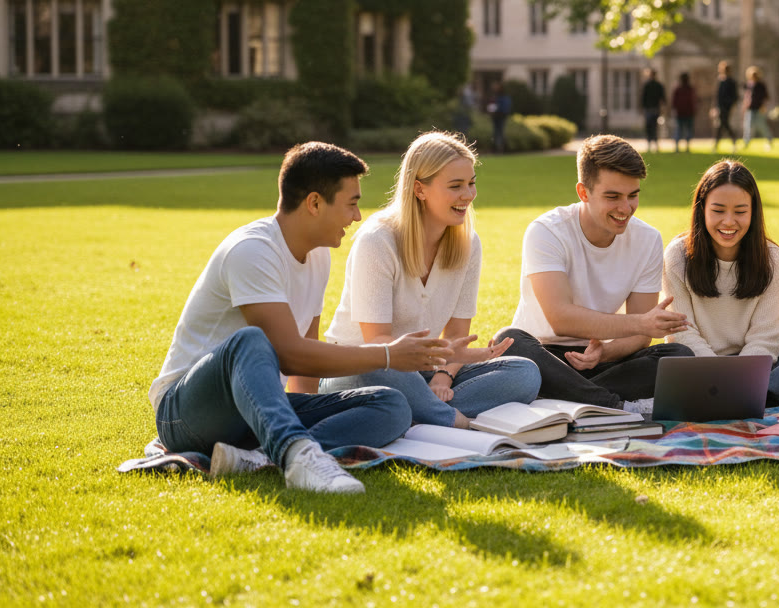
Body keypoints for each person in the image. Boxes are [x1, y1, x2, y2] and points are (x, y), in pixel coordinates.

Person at [149, 142, 455, 494]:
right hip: (186, 414)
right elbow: (288, 352)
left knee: (390, 403)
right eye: (351, 203)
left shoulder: (318, 255)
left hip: (255, 412)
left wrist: (309, 405)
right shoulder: (252, 250)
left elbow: (306, 359)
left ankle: (264, 456)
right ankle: (298, 455)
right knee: (250, 341)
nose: (357, 217)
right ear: (314, 203)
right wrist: (388, 355)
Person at [318, 132, 541, 428]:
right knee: (382, 368)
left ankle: (413, 411)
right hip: (362, 368)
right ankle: (450, 420)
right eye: (455, 186)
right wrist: (445, 357)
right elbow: (378, 344)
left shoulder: (468, 244)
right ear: (420, 190)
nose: (468, 195)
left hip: (421, 374)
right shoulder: (378, 241)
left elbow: (457, 334)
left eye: (471, 183)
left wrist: (443, 374)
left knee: (525, 373)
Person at [494, 135, 694, 410]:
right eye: (613, 197)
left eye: (633, 195)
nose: (626, 209)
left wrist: (605, 352)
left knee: (678, 356)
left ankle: (569, 399)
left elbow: (640, 337)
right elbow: (560, 318)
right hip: (544, 356)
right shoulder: (546, 231)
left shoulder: (647, 239)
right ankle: (616, 407)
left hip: (599, 359)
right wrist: (641, 323)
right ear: (583, 192)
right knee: (510, 341)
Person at [661, 160, 779, 382]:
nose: (729, 222)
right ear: (702, 210)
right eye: (718, 210)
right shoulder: (677, 255)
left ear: (753, 212)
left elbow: (765, 338)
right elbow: (682, 332)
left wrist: (738, 377)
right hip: (695, 361)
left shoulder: (773, 259)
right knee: (659, 359)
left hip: (749, 364)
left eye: (740, 211)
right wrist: (717, 373)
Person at [742, 66, 773, 150]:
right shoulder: (749, 84)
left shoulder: (761, 85)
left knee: (762, 126)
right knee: (748, 126)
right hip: (750, 109)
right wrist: (745, 105)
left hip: (758, 109)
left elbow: (766, 97)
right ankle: (746, 143)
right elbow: (747, 96)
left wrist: (763, 106)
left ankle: (769, 140)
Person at [712, 60, 740, 152]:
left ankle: (718, 143)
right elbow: (717, 96)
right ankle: (731, 140)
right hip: (720, 107)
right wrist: (715, 107)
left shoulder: (731, 82)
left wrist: (729, 104)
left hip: (726, 107)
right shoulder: (721, 81)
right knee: (722, 125)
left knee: (723, 124)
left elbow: (735, 96)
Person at [640, 68, 666, 152]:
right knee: (654, 127)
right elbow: (663, 98)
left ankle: (650, 144)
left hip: (649, 109)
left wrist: (642, 108)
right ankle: (655, 145)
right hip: (655, 109)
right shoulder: (658, 85)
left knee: (649, 127)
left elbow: (643, 98)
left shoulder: (647, 85)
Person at [672, 72, 697, 152]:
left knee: (680, 130)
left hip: (681, 113)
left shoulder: (679, 89)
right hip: (688, 113)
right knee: (687, 131)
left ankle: (678, 148)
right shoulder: (689, 89)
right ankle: (686, 147)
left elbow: (674, 102)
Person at [489, 82, 512, 153]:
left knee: (499, 132)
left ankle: (500, 148)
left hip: (500, 116)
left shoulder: (503, 97)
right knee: (497, 132)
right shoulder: (497, 97)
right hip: (497, 117)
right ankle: (498, 148)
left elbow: (504, 108)